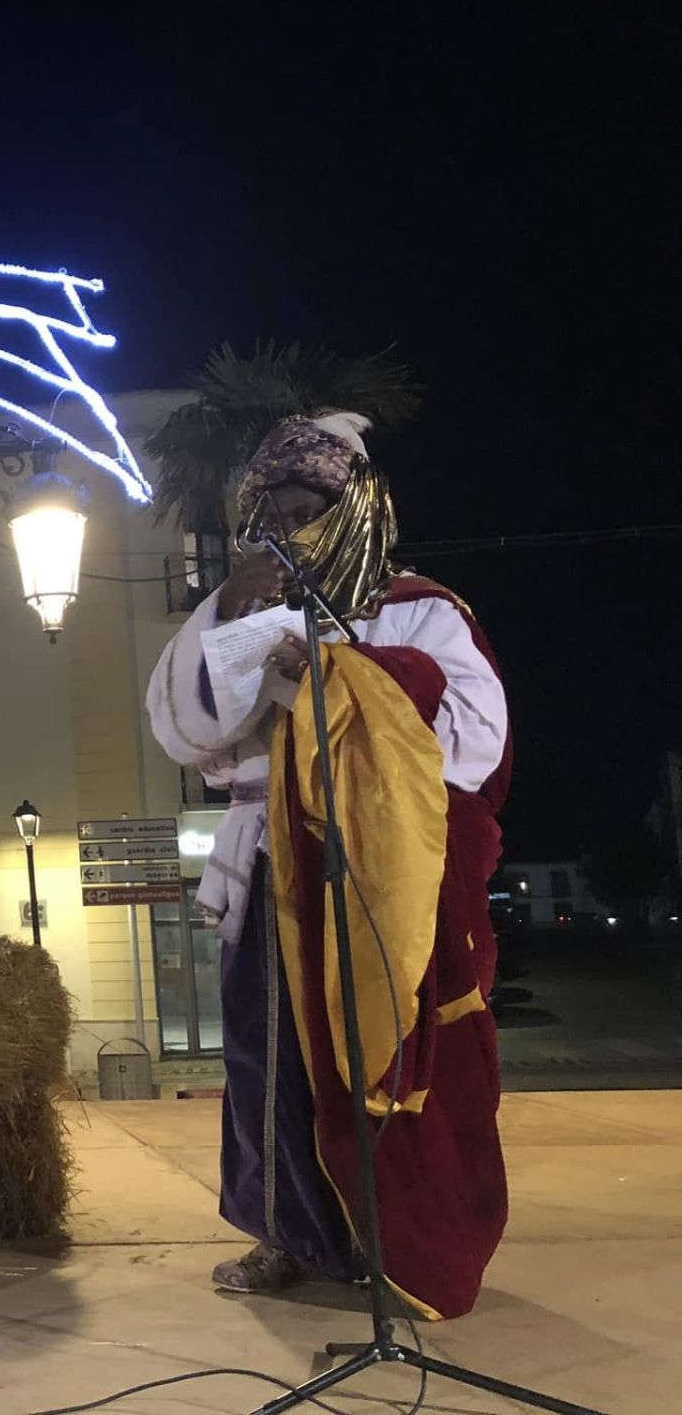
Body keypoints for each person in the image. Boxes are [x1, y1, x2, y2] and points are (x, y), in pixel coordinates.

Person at [147, 412, 511, 1320]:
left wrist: (339, 672)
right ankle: (287, 1233)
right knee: (265, 1055)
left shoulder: (420, 608)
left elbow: (476, 740)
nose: (283, 525)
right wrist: (233, 615)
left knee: (373, 1049)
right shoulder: (229, 610)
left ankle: (386, 1238)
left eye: (305, 504)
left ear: (352, 508)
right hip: (268, 859)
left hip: (375, 864)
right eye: (266, 509)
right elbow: (186, 731)